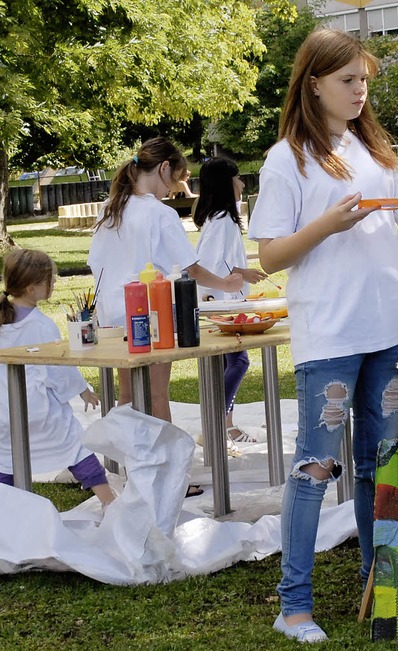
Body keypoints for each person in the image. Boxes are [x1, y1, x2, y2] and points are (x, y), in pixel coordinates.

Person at [247, 28, 398, 643]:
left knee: (378, 465)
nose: (360, 91)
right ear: (314, 84)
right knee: (316, 468)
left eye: (363, 80)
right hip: (329, 334)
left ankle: (378, 585)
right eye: (347, 81)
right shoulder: (288, 158)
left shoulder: (373, 148)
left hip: (388, 328)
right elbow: (270, 256)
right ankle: (294, 605)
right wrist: (328, 225)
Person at [88, 137, 243, 424]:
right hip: (152, 312)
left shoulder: (111, 207)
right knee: (157, 394)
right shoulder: (160, 213)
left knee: (128, 393)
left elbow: (96, 263)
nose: (172, 188)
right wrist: (227, 284)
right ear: (164, 168)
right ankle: (163, 463)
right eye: (174, 180)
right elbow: (192, 269)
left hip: (113, 315)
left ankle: (131, 460)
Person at [0, 249, 116, 510]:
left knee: (5, 459)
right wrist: (82, 390)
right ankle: (109, 502)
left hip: (4, 410)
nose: (53, 284)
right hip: (39, 410)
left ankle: (6, 515)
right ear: (32, 288)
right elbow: (57, 369)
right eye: (49, 280)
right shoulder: (42, 325)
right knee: (76, 448)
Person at [193, 157, 268, 443]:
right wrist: (240, 274)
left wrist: (242, 271)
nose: (241, 183)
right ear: (227, 184)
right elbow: (209, 265)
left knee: (233, 362)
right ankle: (218, 422)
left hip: (224, 300)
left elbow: (222, 262)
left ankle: (225, 421)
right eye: (237, 177)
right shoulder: (222, 222)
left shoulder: (221, 220)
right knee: (239, 362)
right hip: (221, 304)